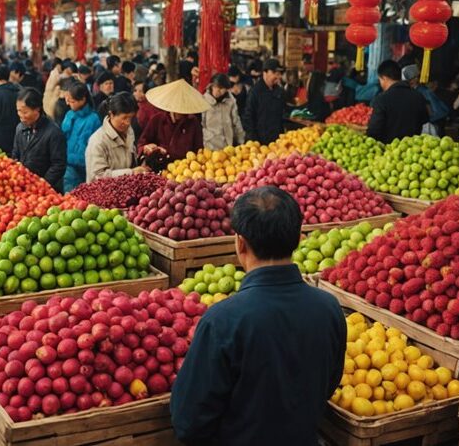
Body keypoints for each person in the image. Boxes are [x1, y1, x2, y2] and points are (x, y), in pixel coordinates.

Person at [170, 186, 346, 445]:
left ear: (240, 243)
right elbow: (329, 384)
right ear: (299, 239)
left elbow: (188, 421)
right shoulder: (330, 308)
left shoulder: (222, 320)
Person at [138, 80, 207, 168]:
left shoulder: (193, 122)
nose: (178, 111)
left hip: (184, 170)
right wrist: (147, 148)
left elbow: (199, 151)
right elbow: (142, 143)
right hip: (158, 167)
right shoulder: (157, 119)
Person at [10, 88, 67, 192]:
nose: (21, 116)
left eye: (25, 112)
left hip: (47, 190)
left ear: (37, 109)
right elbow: (15, 153)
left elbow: (59, 165)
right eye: (18, 111)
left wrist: (42, 184)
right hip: (25, 186)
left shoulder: (54, 133)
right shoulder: (20, 128)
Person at [85, 93, 149, 181]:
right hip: (103, 193)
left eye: (131, 118)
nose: (128, 122)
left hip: (124, 189)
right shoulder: (97, 141)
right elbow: (97, 176)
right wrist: (131, 172)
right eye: (124, 118)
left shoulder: (129, 131)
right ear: (111, 114)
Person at [367, 60, 429, 144]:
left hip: (388, 152)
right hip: (413, 150)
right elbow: (425, 119)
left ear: (384, 78)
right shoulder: (418, 96)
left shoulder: (381, 99)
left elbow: (374, 130)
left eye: (380, 80)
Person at [61, 82, 101, 192]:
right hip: (68, 166)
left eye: (72, 101)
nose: (69, 104)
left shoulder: (94, 119)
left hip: (86, 166)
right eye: (68, 101)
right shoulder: (69, 114)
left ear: (83, 99)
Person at [243, 59, 287, 145]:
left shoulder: (279, 91)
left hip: (276, 142)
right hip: (259, 142)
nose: (278, 77)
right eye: (275, 73)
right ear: (265, 72)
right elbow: (248, 118)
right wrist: (254, 142)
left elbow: (282, 115)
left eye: (279, 74)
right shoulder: (255, 92)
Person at [202, 73, 245, 151]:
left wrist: (241, 142)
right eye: (215, 87)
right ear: (211, 86)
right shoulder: (204, 101)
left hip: (227, 145)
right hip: (210, 145)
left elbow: (236, 122)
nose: (217, 91)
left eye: (221, 88)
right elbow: (201, 124)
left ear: (226, 89)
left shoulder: (231, 102)